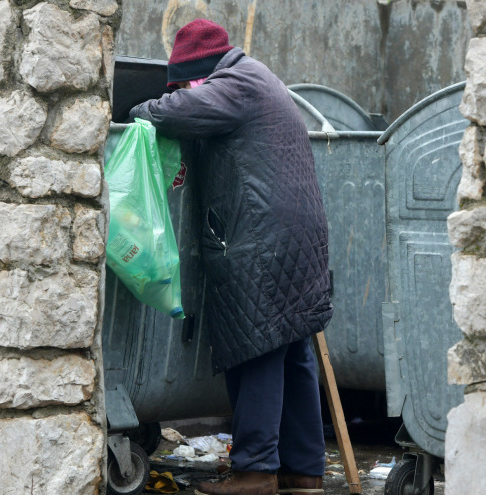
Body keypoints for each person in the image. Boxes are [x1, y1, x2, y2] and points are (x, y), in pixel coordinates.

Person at [129, 19, 333, 495]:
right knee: (291, 348)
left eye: (183, 82)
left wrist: (134, 107)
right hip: (296, 238)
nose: (182, 91)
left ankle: (255, 472)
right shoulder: (259, 77)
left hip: (263, 241)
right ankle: (303, 474)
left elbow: (168, 113)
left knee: (257, 345)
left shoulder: (234, 85)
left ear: (198, 73)